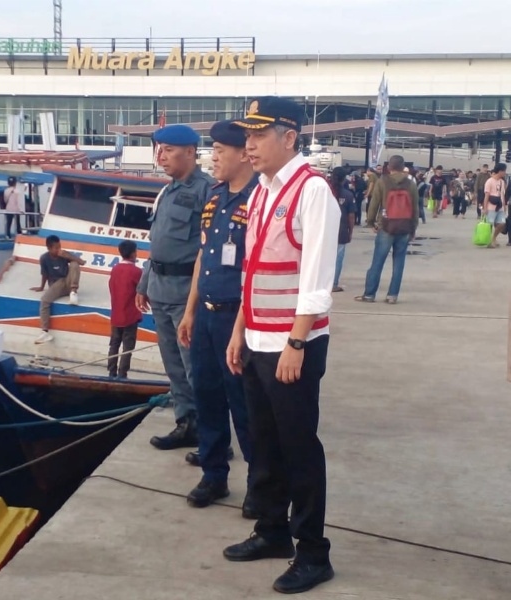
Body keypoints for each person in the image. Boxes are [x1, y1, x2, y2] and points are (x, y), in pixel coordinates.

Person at [224, 96, 338, 595]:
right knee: (263, 444)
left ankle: (313, 552)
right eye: (246, 135)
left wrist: (296, 342)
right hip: (256, 339)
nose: (249, 145)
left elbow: (316, 278)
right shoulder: (264, 190)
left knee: (299, 448)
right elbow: (252, 269)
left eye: (258, 135)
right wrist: (239, 331)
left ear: (289, 138)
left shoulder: (312, 191)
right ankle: (271, 531)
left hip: (292, 343)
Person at [175, 119, 258, 513]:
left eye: (220, 151)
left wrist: (240, 329)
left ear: (244, 154)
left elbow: (254, 271)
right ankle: (214, 475)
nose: (214, 158)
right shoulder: (214, 197)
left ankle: (261, 484)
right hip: (206, 317)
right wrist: (190, 311)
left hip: (236, 319)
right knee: (207, 397)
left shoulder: (259, 201)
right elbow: (203, 258)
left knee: (243, 405)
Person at [135, 124, 215, 450]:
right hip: (160, 289)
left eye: (168, 150)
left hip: (186, 293)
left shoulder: (206, 190)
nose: (161, 156)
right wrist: (143, 283)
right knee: (173, 367)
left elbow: (207, 249)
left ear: (191, 152)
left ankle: (212, 436)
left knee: (196, 367)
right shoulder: (167, 190)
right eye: (159, 149)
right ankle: (187, 423)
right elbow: (158, 245)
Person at [355, 155, 419, 304]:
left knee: (378, 260)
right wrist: (413, 228)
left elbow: (374, 203)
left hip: (386, 226)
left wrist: (371, 222)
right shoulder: (411, 184)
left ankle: (370, 294)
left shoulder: (382, 181)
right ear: (403, 167)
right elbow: (415, 208)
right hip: (404, 226)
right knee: (399, 262)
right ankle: (392, 295)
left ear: (389, 167)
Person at [30, 234, 85, 344]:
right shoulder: (44, 258)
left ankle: (73, 293)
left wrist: (68, 256)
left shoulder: (64, 254)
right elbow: (44, 274)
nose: (59, 249)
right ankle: (44, 332)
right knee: (45, 300)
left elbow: (81, 262)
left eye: (60, 246)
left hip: (68, 281)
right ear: (49, 248)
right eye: (56, 248)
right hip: (56, 284)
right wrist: (41, 287)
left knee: (74, 264)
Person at [107, 240, 142, 379]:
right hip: (130, 315)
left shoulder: (115, 269)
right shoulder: (137, 271)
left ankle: (111, 372)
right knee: (127, 347)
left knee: (114, 344)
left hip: (116, 314)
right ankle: (122, 374)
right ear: (133, 253)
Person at [330, 167, 356, 292]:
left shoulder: (325, 192)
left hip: (324, 231)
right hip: (341, 229)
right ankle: (334, 284)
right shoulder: (348, 195)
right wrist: (350, 231)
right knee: (338, 258)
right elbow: (351, 216)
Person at [482, 163, 507, 249]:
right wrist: (485, 208)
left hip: (500, 206)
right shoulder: (489, 181)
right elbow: (486, 196)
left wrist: (504, 206)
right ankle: (489, 241)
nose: (505, 173)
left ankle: (494, 238)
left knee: (502, 223)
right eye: (504, 171)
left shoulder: (502, 182)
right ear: (500, 171)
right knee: (489, 224)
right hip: (491, 207)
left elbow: (502, 195)